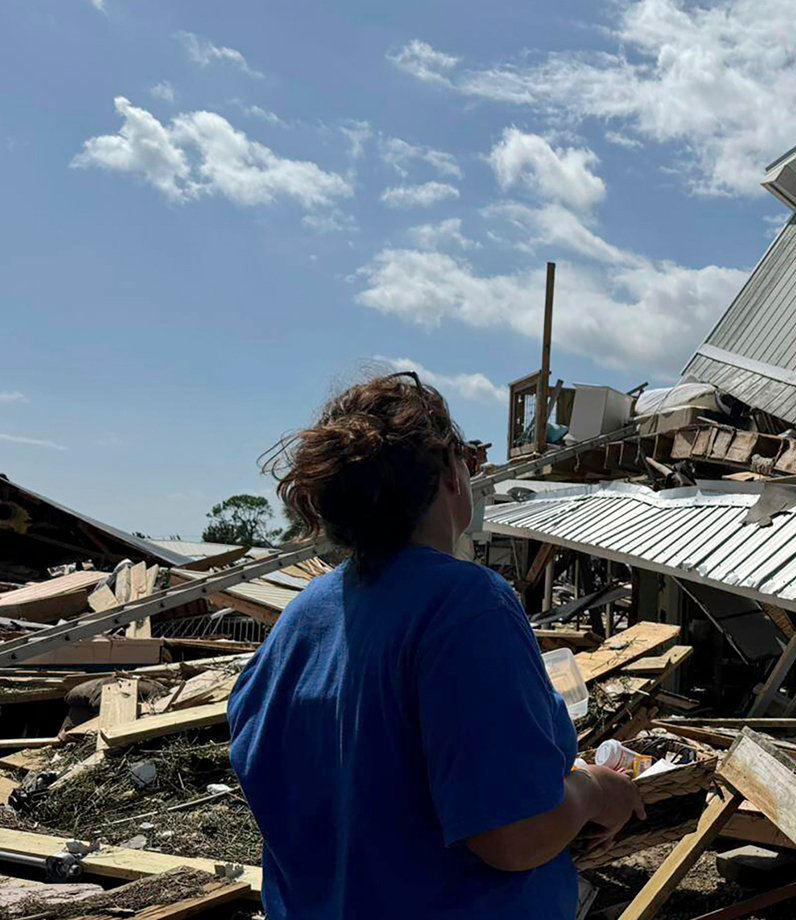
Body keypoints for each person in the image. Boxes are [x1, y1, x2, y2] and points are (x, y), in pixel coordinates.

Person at [228, 372, 644, 919]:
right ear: (449, 472)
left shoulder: (302, 619)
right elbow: (511, 837)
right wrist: (593, 791)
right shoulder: (467, 605)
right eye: (468, 459)